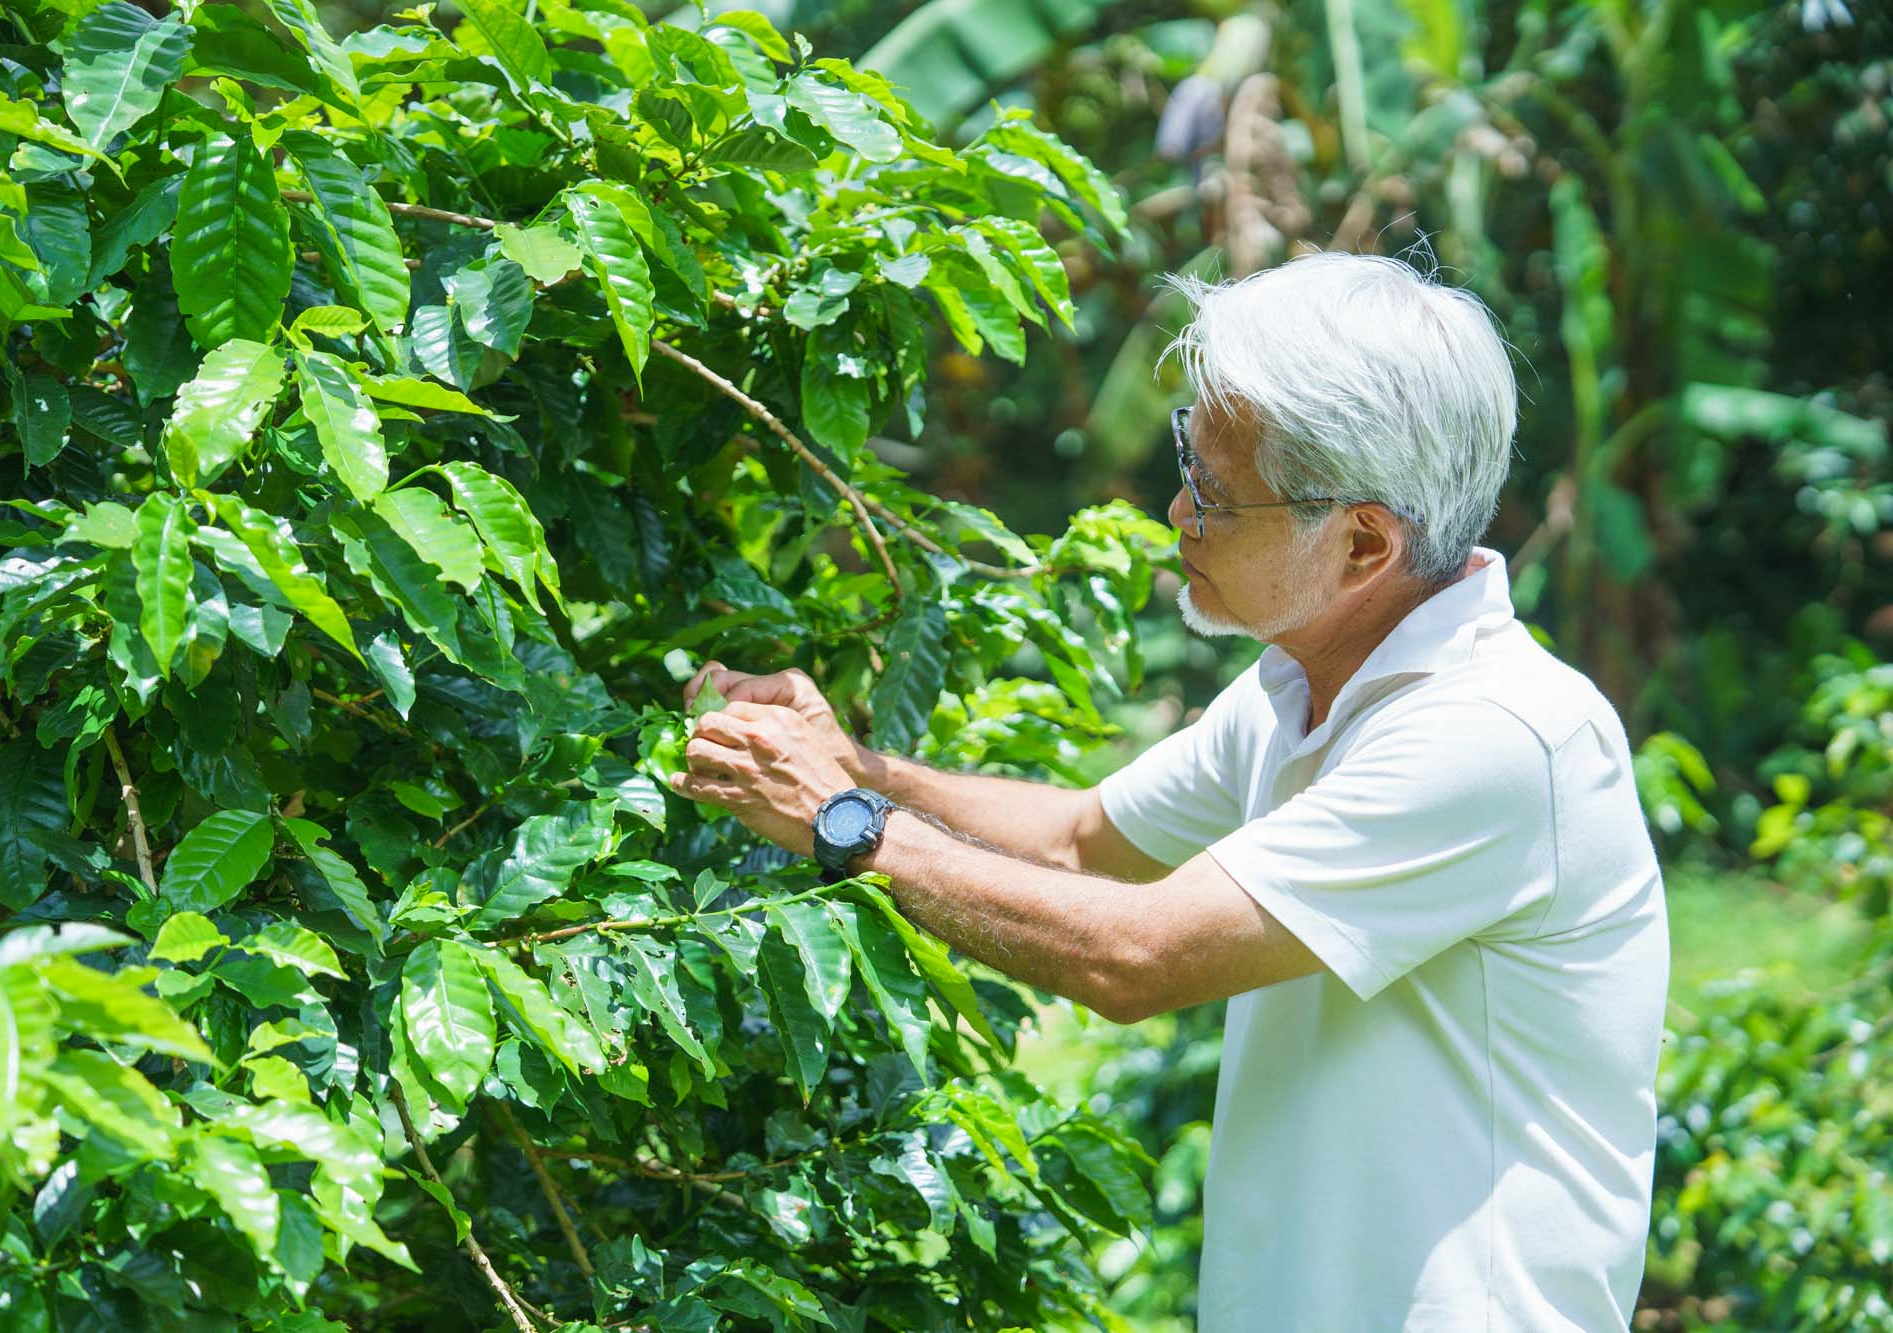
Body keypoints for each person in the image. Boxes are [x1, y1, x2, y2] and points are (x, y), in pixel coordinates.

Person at [670, 250, 1669, 1332]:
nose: (1175, 512)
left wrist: (841, 821)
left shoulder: (1490, 736)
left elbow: (1134, 953)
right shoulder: (1299, 682)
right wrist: (852, 764)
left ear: (1362, 542)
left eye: (1217, 495)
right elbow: (1080, 840)